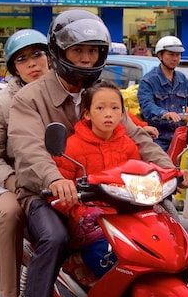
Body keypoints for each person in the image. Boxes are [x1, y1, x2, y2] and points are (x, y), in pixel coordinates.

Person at [7, 9, 178, 297]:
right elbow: (28, 148)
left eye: (93, 52)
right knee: (54, 239)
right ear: (59, 52)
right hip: (47, 193)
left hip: (106, 192)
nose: (86, 59)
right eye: (77, 51)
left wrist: (168, 169)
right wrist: (54, 179)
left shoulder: (101, 92)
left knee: (156, 230)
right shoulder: (30, 98)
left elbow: (135, 138)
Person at [0, 29, 49, 297]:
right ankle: (9, 294)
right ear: (14, 68)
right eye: (22, 59)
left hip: (60, 175)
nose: (33, 63)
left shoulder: (66, 92)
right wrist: (13, 182)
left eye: (37, 54)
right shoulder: (1, 104)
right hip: (15, 179)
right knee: (11, 214)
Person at [52, 80, 148, 280]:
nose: (108, 114)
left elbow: (138, 178)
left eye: (115, 108)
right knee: (105, 254)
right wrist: (78, 211)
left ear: (122, 114)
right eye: (100, 108)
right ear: (87, 113)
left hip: (124, 216)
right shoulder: (72, 148)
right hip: (88, 220)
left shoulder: (128, 146)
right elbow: (60, 190)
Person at [137, 36, 188, 151]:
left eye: (178, 55)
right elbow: (147, 106)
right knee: (162, 164)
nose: (175, 58)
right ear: (160, 55)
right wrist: (164, 113)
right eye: (171, 54)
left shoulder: (181, 79)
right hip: (159, 137)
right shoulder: (148, 81)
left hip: (182, 135)